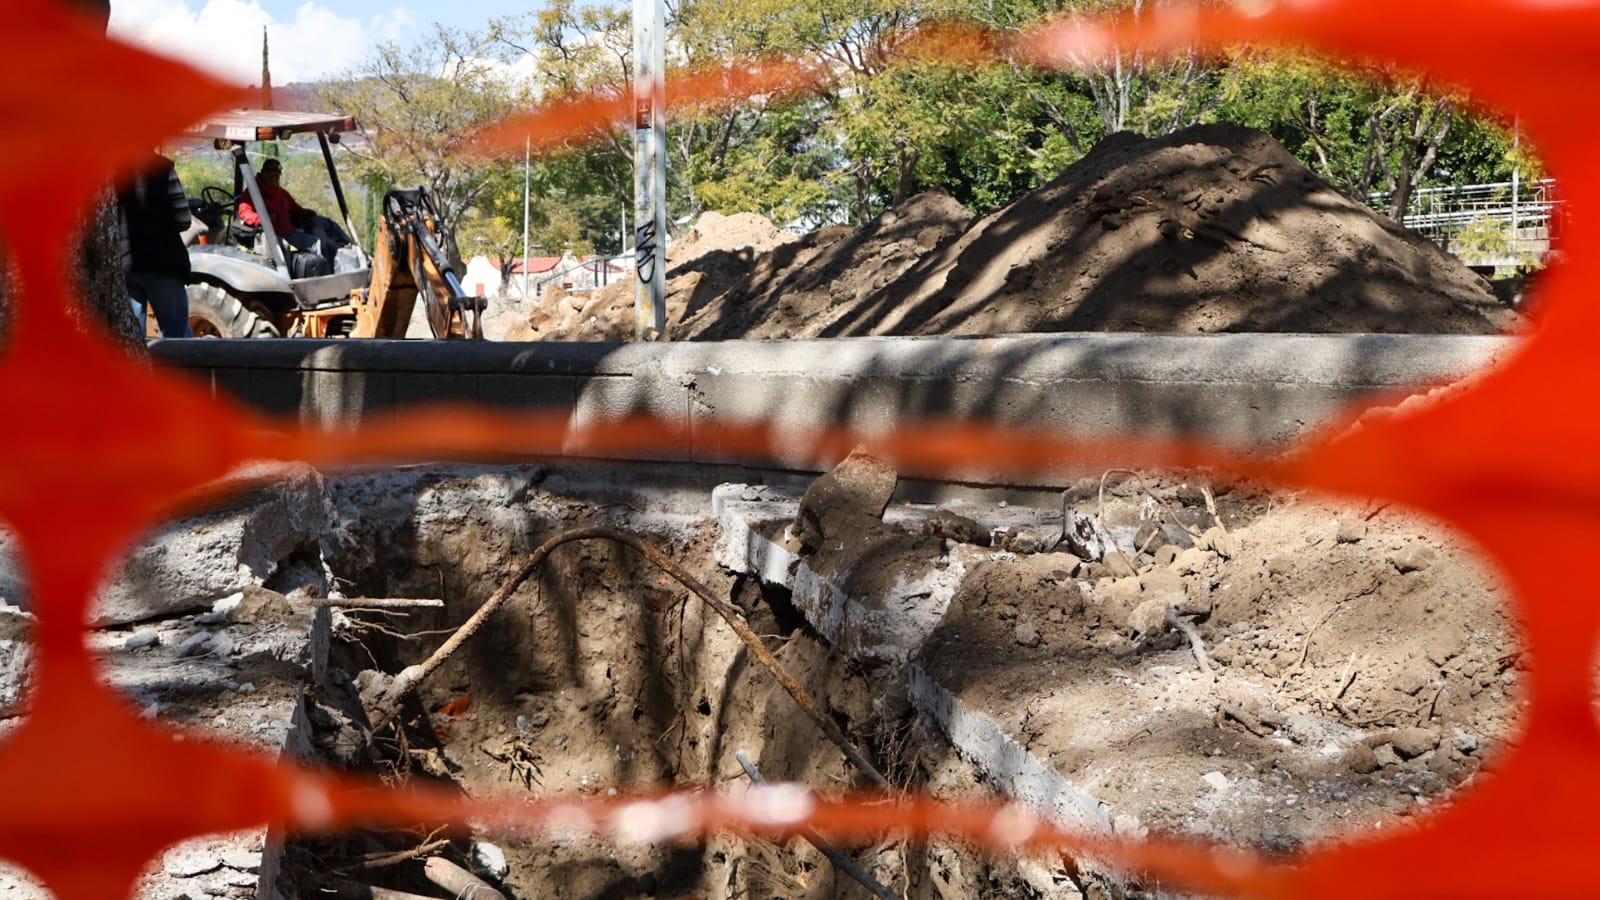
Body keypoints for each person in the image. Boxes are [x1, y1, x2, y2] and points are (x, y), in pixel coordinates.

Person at [116, 151, 193, 338]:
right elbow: (184, 220)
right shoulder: (163, 168)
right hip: (163, 263)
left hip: (125, 265)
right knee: (177, 336)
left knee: (132, 338)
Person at [237, 157, 349, 268]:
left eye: (277, 174)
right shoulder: (252, 192)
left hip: (289, 232)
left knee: (320, 243)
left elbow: (295, 209)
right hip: (270, 236)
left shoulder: (281, 193)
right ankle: (291, 278)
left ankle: (336, 262)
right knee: (285, 258)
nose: (274, 177)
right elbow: (244, 213)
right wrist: (262, 219)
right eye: (271, 173)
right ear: (263, 173)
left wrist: (307, 213)